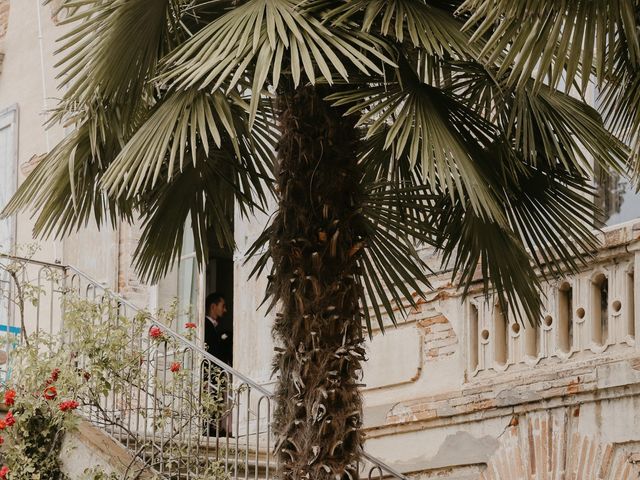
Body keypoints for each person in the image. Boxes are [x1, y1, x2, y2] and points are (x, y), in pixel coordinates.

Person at [202, 292, 233, 437]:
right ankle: (208, 428)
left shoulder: (213, 327)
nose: (225, 310)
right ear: (213, 307)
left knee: (215, 399)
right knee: (210, 398)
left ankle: (213, 428)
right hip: (209, 372)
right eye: (223, 306)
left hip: (215, 373)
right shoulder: (205, 326)